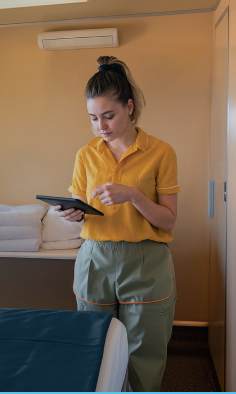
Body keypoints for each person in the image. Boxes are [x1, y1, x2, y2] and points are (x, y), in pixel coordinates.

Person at [55, 56, 180, 392]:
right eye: (93, 118)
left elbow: (168, 220)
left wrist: (135, 196)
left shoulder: (161, 152)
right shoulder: (86, 155)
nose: (101, 126)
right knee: (95, 346)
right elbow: (82, 205)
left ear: (128, 107)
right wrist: (74, 213)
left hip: (145, 261)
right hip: (95, 257)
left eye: (108, 116)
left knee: (144, 354)